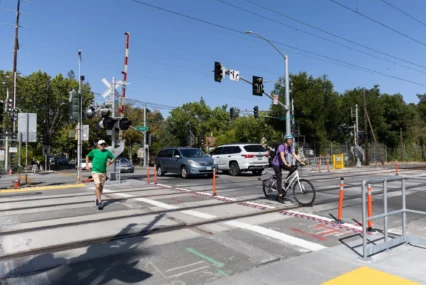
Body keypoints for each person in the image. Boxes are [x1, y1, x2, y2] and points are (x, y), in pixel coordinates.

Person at [271, 134, 304, 203]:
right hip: (276, 164)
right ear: (286, 140)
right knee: (279, 177)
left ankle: (286, 181)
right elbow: (282, 156)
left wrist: (300, 161)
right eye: (289, 140)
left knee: (293, 169)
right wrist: (286, 164)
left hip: (282, 163)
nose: (291, 141)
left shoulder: (289, 147)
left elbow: (294, 155)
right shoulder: (281, 146)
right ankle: (280, 196)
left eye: (291, 140)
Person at [86, 140, 115, 210]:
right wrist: (87, 165)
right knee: (97, 185)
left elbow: (113, 158)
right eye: (101, 144)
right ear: (98, 145)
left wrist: (110, 162)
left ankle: (97, 197)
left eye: (104, 144)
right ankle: (100, 202)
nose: (103, 145)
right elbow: (87, 156)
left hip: (103, 172)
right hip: (95, 171)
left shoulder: (107, 152)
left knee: (100, 187)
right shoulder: (94, 151)